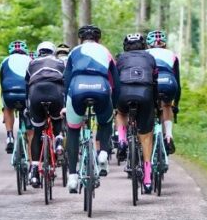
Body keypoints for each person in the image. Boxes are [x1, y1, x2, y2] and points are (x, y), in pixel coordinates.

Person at [64, 25, 118, 193]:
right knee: (105, 121)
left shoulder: (74, 52)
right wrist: (114, 106)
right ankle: (102, 154)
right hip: (100, 88)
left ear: (81, 39)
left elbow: (66, 80)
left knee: (73, 131)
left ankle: (72, 177)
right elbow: (115, 82)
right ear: (98, 39)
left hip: (77, 89)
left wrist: (66, 103)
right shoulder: (105, 52)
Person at [114, 33, 159, 193]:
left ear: (125, 47)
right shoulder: (150, 58)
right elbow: (154, 83)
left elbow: (114, 81)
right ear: (144, 46)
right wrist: (154, 105)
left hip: (124, 93)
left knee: (120, 112)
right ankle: (147, 179)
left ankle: (121, 140)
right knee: (146, 136)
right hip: (145, 93)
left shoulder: (120, 59)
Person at [25, 41, 66, 188]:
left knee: (37, 131)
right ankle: (59, 141)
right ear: (53, 51)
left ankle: (35, 171)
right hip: (55, 92)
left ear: (38, 51)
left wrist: (27, 107)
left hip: (36, 93)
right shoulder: (60, 62)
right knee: (57, 120)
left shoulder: (32, 63)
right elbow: (66, 82)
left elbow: (26, 86)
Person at [146, 30, 180, 154]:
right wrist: (175, 104)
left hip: (151, 83)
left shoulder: (145, 53)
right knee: (166, 105)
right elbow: (178, 82)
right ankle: (168, 136)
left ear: (148, 44)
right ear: (164, 44)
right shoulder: (172, 55)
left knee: (148, 106)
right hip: (169, 82)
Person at [0, 40, 32, 154]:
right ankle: (31, 160)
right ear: (25, 51)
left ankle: (9, 136)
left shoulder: (5, 61)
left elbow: (1, 82)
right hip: (26, 95)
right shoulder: (31, 60)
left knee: (7, 108)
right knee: (31, 129)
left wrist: (3, 107)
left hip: (9, 94)